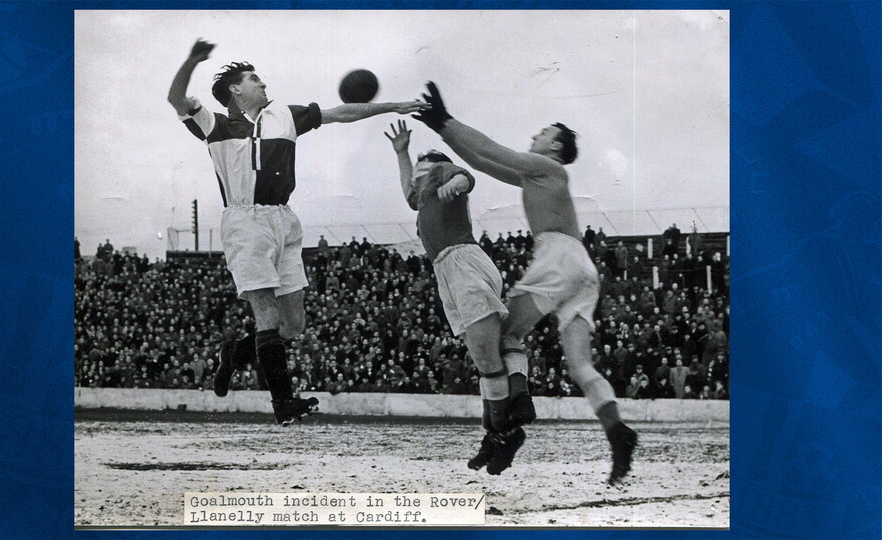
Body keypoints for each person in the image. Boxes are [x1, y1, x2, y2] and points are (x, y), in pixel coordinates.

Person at [167, 39, 425, 425]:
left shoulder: (284, 115)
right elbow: (175, 97)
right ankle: (283, 404)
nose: (263, 84)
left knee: (293, 325)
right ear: (236, 89)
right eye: (254, 79)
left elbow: (341, 113)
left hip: (284, 220)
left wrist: (393, 105)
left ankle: (235, 355)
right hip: (244, 221)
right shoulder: (214, 124)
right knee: (266, 315)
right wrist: (191, 61)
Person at [412, 81, 637, 485]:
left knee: (503, 335)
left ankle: (510, 417)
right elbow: (481, 162)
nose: (536, 135)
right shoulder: (537, 176)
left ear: (555, 146)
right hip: (581, 268)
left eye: (544, 132)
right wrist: (443, 131)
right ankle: (618, 433)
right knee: (581, 366)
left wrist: (444, 120)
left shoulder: (548, 167)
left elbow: (493, 149)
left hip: (558, 257)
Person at [384, 120, 530, 475]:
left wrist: (454, 183)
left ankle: (507, 427)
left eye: (421, 169)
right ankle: (502, 427)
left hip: (462, 260)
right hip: (448, 269)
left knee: (485, 354)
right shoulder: (423, 193)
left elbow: (465, 177)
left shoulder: (439, 172)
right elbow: (408, 194)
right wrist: (402, 153)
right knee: (485, 355)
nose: (416, 177)